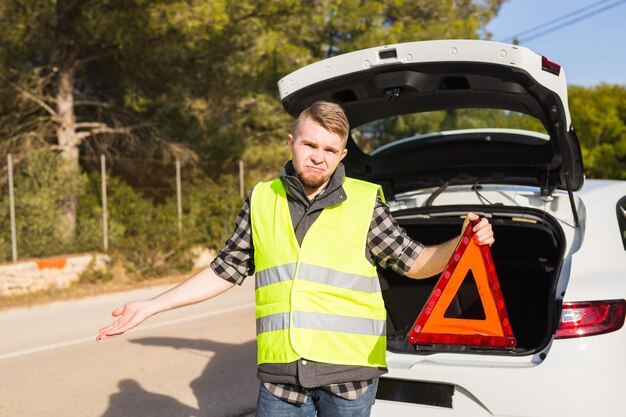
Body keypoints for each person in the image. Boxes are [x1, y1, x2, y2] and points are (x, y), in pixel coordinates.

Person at [97, 101, 494, 417]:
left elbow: (416, 262)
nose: (318, 157)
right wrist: (151, 306)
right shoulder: (261, 199)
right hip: (281, 382)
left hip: (349, 382)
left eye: (329, 150)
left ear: (341, 155)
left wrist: (460, 243)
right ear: (291, 142)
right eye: (310, 145)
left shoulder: (365, 203)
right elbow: (224, 269)